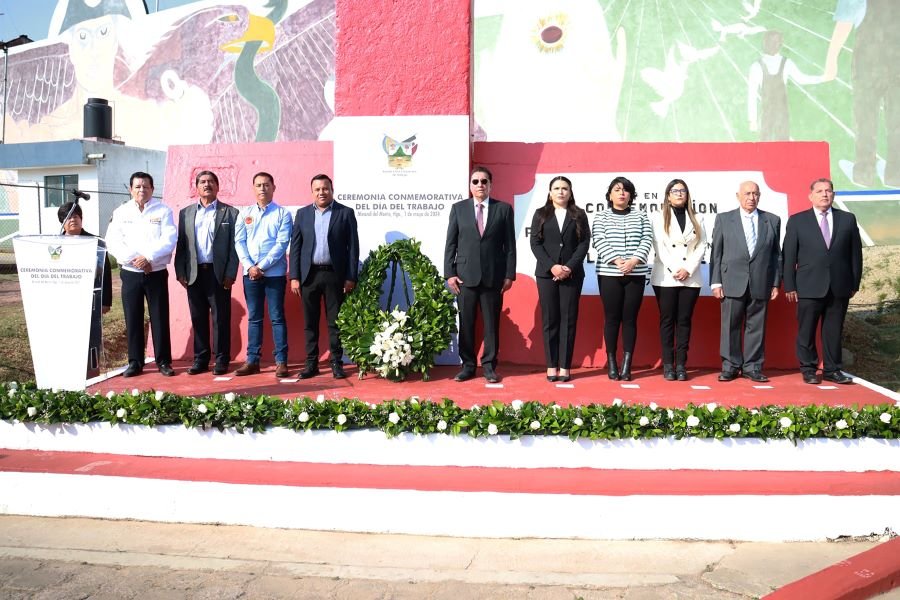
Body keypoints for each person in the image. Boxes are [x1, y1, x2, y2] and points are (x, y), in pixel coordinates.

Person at [783, 178, 862, 384]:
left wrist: (855, 282)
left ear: (833, 195)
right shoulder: (798, 220)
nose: (824, 194)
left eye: (828, 191)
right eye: (819, 191)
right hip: (808, 285)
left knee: (833, 330)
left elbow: (855, 254)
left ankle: (832, 369)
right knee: (806, 330)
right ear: (811, 196)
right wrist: (789, 285)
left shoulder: (847, 219)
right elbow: (789, 256)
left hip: (840, 285)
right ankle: (808, 369)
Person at [444, 166, 516, 383]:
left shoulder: (503, 209)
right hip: (465, 277)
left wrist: (509, 274)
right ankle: (467, 366)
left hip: (494, 276)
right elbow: (451, 244)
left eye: (484, 181)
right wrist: (449, 274)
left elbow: (509, 245)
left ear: (490, 185)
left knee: (492, 324)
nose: (480, 185)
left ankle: (489, 367)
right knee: (466, 323)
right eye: (475, 181)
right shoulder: (458, 209)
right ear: (470, 185)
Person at [105, 171, 177, 377]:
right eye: (137, 187)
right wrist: (136, 260)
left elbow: (169, 239)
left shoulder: (163, 211)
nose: (141, 190)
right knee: (133, 317)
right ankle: (135, 362)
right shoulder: (121, 212)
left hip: (156, 272)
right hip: (130, 273)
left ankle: (164, 361)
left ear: (152, 189)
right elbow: (113, 241)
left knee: (160, 317)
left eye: (146, 186)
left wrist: (149, 257)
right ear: (130, 189)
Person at [709, 180, 782, 383]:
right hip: (731, 281)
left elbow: (777, 255)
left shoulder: (772, 220)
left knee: (756, 326)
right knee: (730, 326)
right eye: (747, 193)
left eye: (755, 194)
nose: (752, 197)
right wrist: (716, 282)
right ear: (738, 196)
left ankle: (753, 366)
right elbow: (717, 252)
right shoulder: (724, 219)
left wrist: (776, 283)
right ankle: (730, 366)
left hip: (761, 282)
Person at [289, 174, 359, 379]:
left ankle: (337, 362)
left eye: (325, 188)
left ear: (332, 189)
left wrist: (350, 276)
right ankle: (311, 363)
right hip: (308, 276)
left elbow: (353, 247)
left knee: (334, 322)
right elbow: (296, 247)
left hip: (334, 276)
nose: (321, 192)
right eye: (317, 189)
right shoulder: (302, 214)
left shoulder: (345, 213)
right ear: (312, 192)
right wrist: (294, 276)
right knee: (310, 322)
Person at [174, 170, 240, 376]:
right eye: (202, 182)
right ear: (197, 187)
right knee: (198, 317)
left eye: (211, 181)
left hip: (218, 274)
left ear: (218, 187)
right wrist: (180, 271)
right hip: (194, 273)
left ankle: (221, 359)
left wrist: (231, 273)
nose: (207, 185)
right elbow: (182, 245)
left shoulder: (231, 213)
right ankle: (201, 359)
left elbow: (234, 247)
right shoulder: (185, 213)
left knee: (221, 318)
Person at [591, 176, 652, 381]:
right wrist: (617, 261)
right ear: (610, 195)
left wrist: (633, 261)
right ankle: (612, 363)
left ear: (631, 195)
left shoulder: (641, 216)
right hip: (609, 274)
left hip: (635, 273)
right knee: (612, 318)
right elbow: (599, 239)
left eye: (626, 190)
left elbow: (647, 239)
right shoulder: (601, 217)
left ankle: (627, 365)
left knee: (630, 319)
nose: (621, 193)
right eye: (617, 190)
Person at [529, 176, 589, 382]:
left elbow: (584, 243)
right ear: (550, 192)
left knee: (568, 320)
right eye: (557, 188)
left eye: (565, 188)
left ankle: (565, 367)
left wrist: (568, 267)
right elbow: (535, 243)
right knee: (550, 320)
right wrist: (552, 267)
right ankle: (551, 365)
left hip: (572, 275)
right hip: (546, 275)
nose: (561, 191)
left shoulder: (579, 214)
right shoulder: (541, 214)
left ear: (570, 192)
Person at [233, 172, 293, 377]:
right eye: (258, 185)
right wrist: (250, 266)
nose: (262, 189)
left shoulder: (283, 214)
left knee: (277, 317)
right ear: (253, 188)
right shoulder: (244, 213)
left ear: (273, 187)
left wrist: (262, 266)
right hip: (250, 274)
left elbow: (281, 244)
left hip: (274, 273)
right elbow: (239, 242)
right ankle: (252, 360)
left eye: (266, 185)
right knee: (254, 318)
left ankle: (281, 361)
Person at [650, 179, 708, 381]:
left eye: (683, 190)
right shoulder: (658, 217)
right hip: (666, 276)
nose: (679, 194)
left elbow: (702, 245)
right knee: (667, 321)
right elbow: (659, 246)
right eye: (675, 191)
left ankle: (681, 364)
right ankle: (668, 365)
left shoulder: (697, 217)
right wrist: (675, 269)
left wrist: (688, 269)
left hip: (690, 277)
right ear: (668, 195)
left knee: (684, 320)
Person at [58, 201, 112, 378]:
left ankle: (92, 373)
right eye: (68, 216)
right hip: (64, 300)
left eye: (76, 215)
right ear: (62, 221)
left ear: (81, 218)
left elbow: (106, 273)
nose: (73, 219)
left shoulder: (95, 242)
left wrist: (105, 301)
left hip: (91, 302)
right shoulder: (54, 243)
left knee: (91, 339)